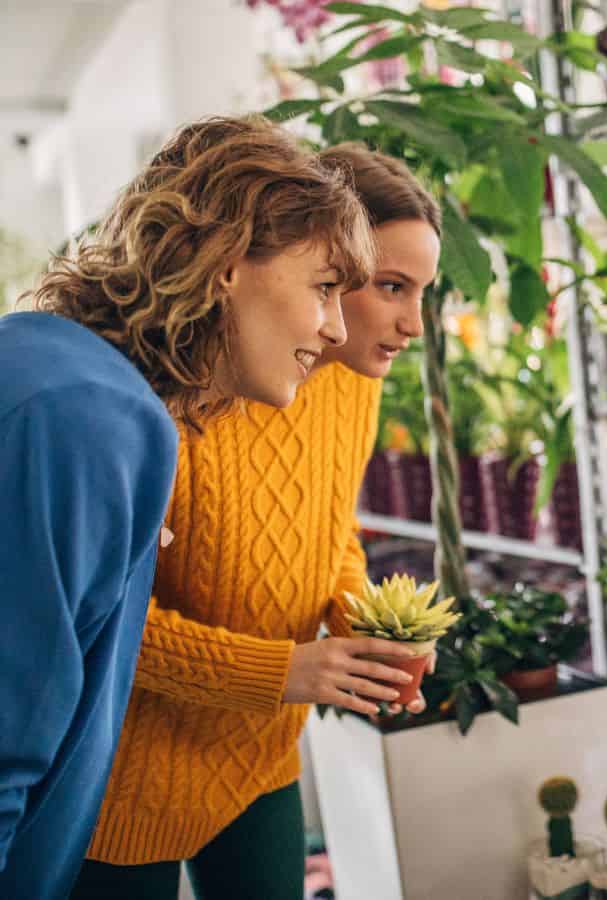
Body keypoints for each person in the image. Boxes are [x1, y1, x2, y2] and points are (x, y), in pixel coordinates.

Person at [0, 116, 377, 900]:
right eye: (324, 286)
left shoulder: (57, 369)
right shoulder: (88, 414)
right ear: (231, 262)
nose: (338, 327)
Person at [71, 143, 443, 900]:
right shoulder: (163, 400)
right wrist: (283, 671)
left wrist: (358, 623)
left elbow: (327, 524)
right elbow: (98, 620)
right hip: (129, 772)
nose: (413, 323)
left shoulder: (353, 384)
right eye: (389, 286)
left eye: (423, 292)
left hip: (261, 753)